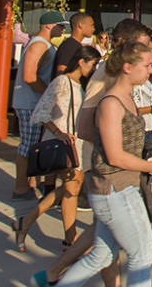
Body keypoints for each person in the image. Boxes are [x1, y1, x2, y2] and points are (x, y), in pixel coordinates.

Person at [18, 41, 152, 287]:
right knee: (143, 254)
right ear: (127, 66)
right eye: (147, 63)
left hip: (120, 188)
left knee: (100, 256)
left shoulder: (124, 97)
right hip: (114, 189)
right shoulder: (111, 102)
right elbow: (114, 154)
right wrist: (149, 165)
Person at [13, 46, 101, 251]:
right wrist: (59, 133)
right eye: (92, 63)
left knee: (71, 188)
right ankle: (70, 239)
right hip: (64, 142)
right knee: (71, 188)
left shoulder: (78, 84)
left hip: (72, 143)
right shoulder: (62, 81)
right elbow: (41, 112)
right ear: (81, 62)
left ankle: (27, 224)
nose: (94, 68)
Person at [12, 12, 68, 202]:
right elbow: (29, 76)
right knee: (28, 146)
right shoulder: (38, 45)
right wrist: (48, 95)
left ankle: (29, 184)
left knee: (34, 144)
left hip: (34, 103)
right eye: (61, 25)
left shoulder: (42, 44)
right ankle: (20, 187)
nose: (63, 29)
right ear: (49, 25)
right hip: (31, 103)